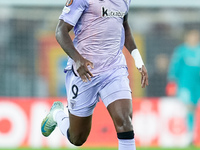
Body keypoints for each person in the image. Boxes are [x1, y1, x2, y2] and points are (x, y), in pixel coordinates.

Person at [41, 0, 148, 149]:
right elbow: (60, 30)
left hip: (114, 70)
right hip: (85, 72)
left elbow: (124, 26)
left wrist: (138, 59)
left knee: (125, 122)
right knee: (77, 138)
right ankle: (57, 114)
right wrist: (78, 60)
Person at [167, 29, 200, 143]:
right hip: (185, 85)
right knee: (189, 107)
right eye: (192, 35)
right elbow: (174, 66)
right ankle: (190, 134)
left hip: (198, 85)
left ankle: (193, 133)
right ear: (187, 37)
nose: (194, 37)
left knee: (194, 108)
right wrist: (172, 80)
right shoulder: (181, 51)